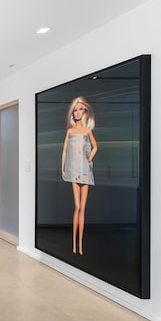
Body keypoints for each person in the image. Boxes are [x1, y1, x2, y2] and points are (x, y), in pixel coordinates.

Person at [61, 96, 98, 255]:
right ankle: (73, 244)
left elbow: (95, 147)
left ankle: (80, 244)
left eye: (80, 109)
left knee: (83, 208)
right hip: (74, 172)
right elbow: (64, 151)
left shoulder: (87, 131)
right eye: (75, 110)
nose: (77, 112)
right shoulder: (70, 131)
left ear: (85, 112)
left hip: (86, 171)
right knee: (77, 207)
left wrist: (90, 158)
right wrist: (63, 169)